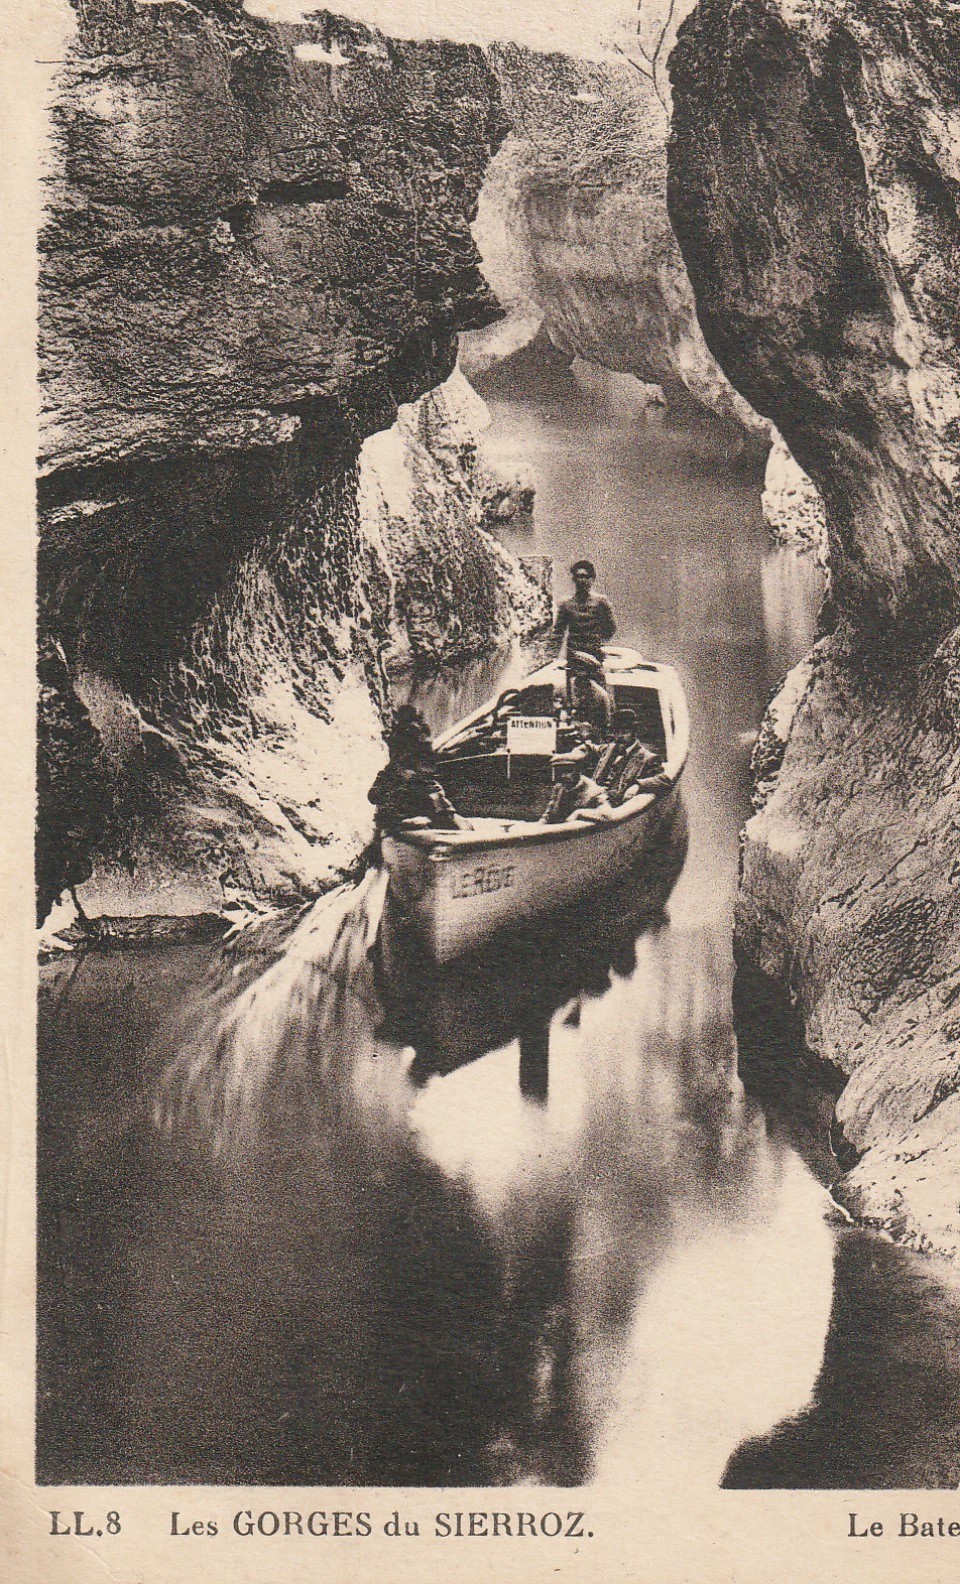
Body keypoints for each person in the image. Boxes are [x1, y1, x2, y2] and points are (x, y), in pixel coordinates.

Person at [553, 559, 616, 693]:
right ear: (574, 579)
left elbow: (610, 629)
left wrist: (595, 640)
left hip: (594, 656)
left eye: (585, 577)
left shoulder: (601, 603)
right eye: (578, 576)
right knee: (573, 694)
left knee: (599, 693)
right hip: (574, 658)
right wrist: (554, 656)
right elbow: (558, 633)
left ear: (592, 579)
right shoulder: (566, 605)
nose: (582, 580)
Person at [541, 762, 611, 825]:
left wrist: (579, 813)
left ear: (578, 771)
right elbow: (549, 814)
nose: (563, 776)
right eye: (559, 772)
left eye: (567, 771)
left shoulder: (593, 790)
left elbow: (607, 815)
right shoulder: (560, 787)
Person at [568, 652, 613, 738]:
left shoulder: (600, 695)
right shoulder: (564, 688)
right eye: (577, 669)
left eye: (583, 671)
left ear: (590, 673)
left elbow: (605, 724)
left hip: (590, 738)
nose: (579, 674)